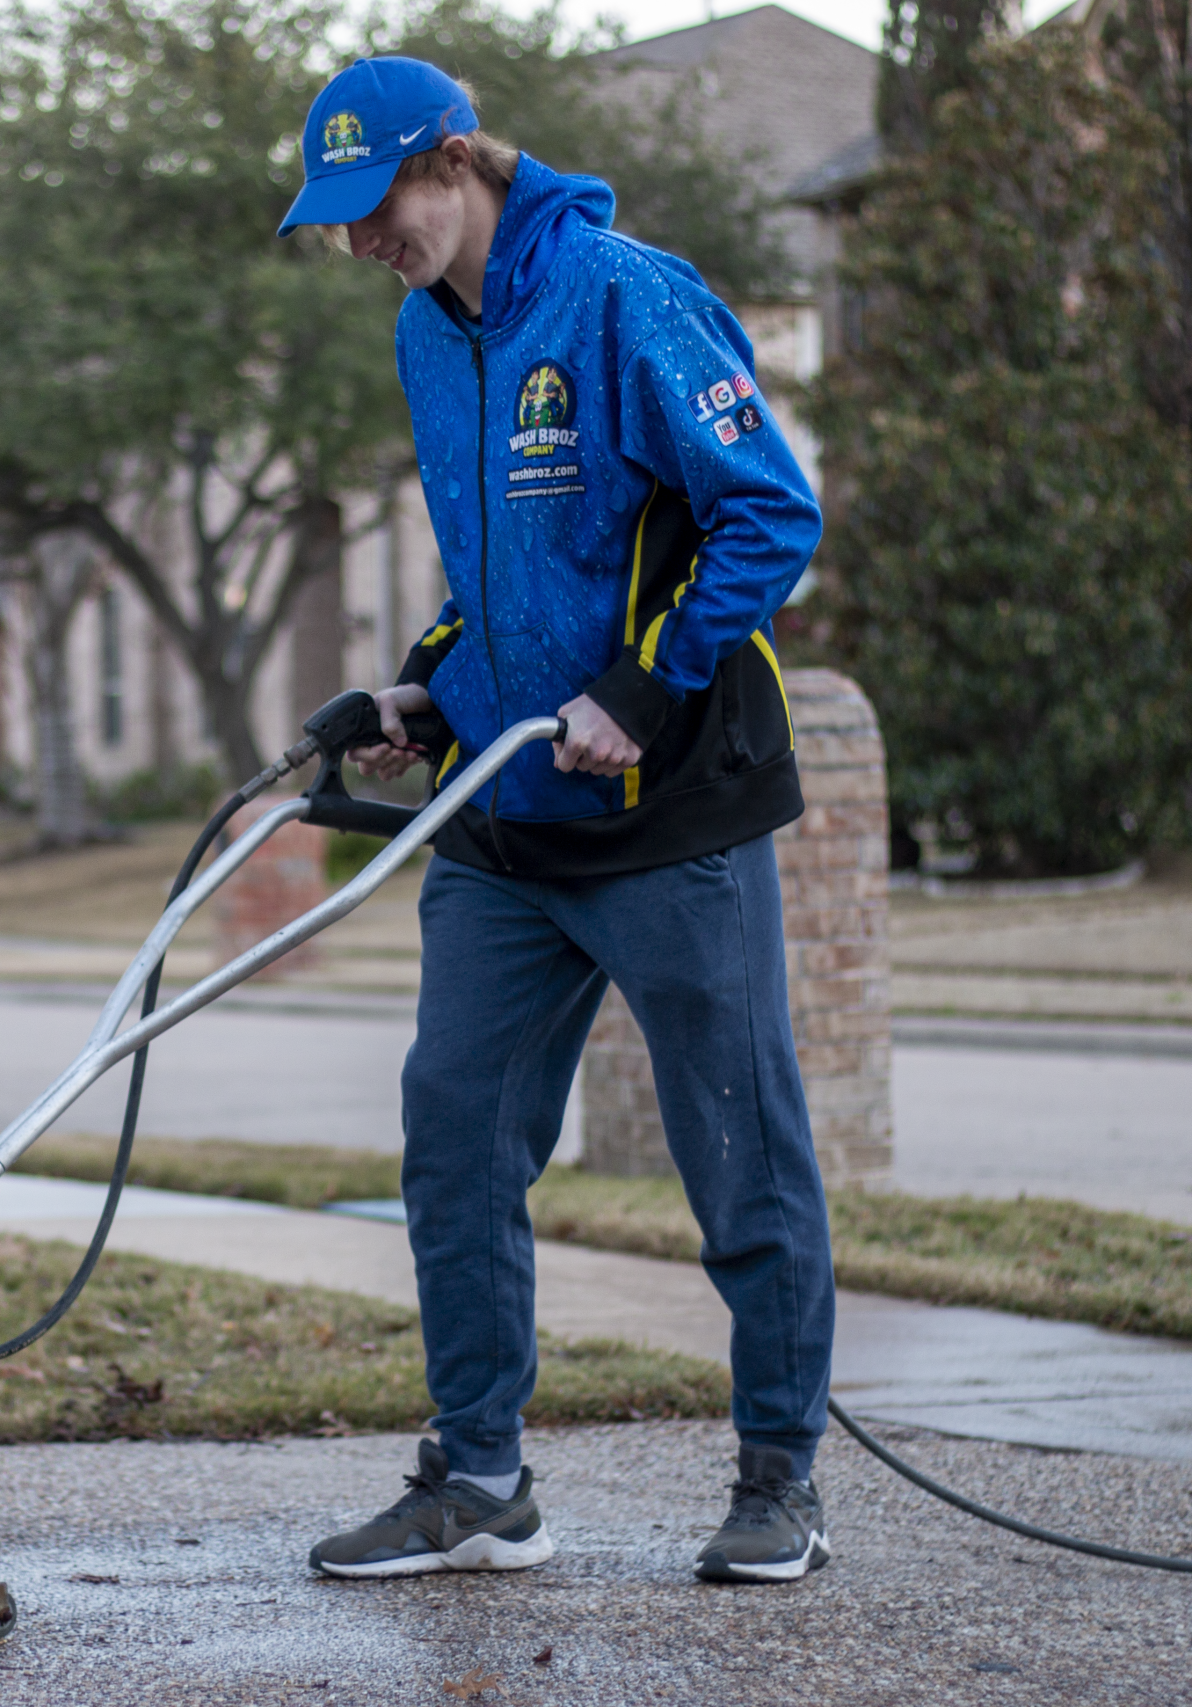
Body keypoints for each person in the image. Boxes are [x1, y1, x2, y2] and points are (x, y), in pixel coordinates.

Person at [277, 56, 835, 1585]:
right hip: (512, 822)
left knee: (738, 1150)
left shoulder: (621, 292)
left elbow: (769, 512)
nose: (360, 242)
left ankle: (780, 1478)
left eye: (375, 205)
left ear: (452, 163)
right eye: (335, 223)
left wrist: (643, 692)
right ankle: (479, 1481)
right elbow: (503, 577)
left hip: (672, 808)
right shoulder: (425, 330)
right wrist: (424, 690)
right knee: (454, 1133)